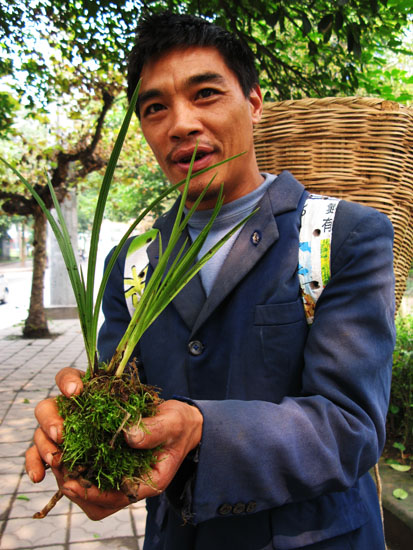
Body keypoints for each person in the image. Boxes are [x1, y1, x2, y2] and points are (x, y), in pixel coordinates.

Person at [26, 11, 396, 550]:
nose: (180, 123)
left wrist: (200, 429)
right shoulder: (132, 262)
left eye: (205, 94)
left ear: (253, 102)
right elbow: (125, 398)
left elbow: (352, 427)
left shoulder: (341, 238)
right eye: (155, 108)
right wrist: (84, 438)